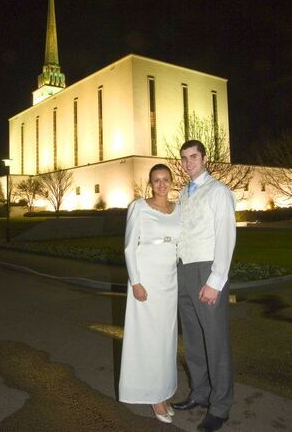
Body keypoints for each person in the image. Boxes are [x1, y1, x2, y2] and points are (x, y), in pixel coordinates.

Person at [172, 140, 236, 432]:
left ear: (205, 158)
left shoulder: (219, 192)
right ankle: (199, 393)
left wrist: (216, 280)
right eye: (184, 158)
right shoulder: (183, 194)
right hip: (184, 271)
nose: (188, 163)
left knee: (215, 341)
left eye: (193, 157)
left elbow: (225, 237)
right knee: (194, 340)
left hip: (207, 271)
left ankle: (220, 406)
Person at [119, 164, 181, 424]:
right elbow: (129, 247)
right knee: (149, 341)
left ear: (171, 181)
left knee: (166, 341)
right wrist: (136, 282)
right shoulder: (139, 207)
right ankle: (154, 398)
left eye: (166, 179)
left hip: (169, 281)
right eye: (156, 180)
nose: (162, 184)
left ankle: (164, 392)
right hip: (146, 281)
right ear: (150, 183)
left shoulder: (178, 209)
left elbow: (180, 245)